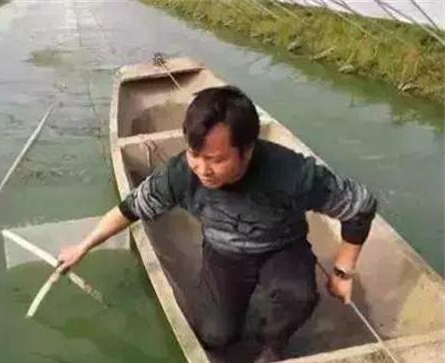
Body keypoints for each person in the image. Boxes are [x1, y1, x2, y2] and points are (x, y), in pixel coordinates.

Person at [58, 86, 377, 362]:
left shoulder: (293, 174)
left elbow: (360, 206)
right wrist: (84, 246)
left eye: (217, 159)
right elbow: (130, 209)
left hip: (282, 246)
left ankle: (273, 346)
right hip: (224, 254)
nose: (203, 169)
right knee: (215, 337)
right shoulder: (179, 173)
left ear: (248, 150)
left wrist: (342, 270)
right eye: (195, 153)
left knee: (300, 296)